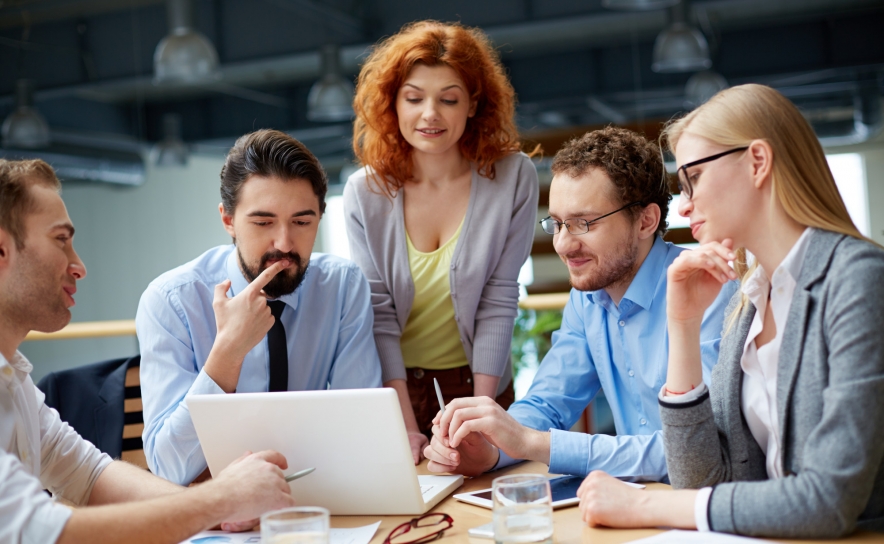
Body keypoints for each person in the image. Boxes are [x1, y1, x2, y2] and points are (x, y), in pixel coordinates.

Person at [576, 84, 884, 538]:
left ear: (757, 162)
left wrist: (645, 506)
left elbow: (827, 499)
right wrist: (682, 325)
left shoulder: (858, 280)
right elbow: (703, 481)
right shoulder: (748, 303)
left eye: (693, 179)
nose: (683, 204)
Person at [0, 158, 296, 544]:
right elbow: (42, 532)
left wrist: (225, 509)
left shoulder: (15, 381)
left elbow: (90, 475)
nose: (80, 266)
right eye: (61, 239)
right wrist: (222, 498)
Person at [425, 127, 738, 480]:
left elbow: (696, 447)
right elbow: (547, 403)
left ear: (646, 221)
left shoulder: (711, 290)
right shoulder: (587, 299)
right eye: (557, 224)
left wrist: (532, 443)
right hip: (634, 504)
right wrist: (489, 449)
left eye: (582, 223)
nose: (562, 244)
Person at [138, 129, 382, 485]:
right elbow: (169, 468)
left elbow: (362, 429)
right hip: (218, 513)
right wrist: (228, 352)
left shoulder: (342, 286)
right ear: (228, 221)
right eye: (263, 222)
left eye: (302, 222)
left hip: (319, 495)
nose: (284, 242)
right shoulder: (171, 301)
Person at [344, 20, 539, 464]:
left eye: (448, 99)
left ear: (473, 104)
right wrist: (405, 425)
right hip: (398, 390)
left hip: (481, 383)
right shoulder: (364, 192)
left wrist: (483, 414)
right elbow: (379, 315)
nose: (430, 114)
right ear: (392, 104)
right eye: (414, 98)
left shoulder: (511, 177)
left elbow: (499, 297)